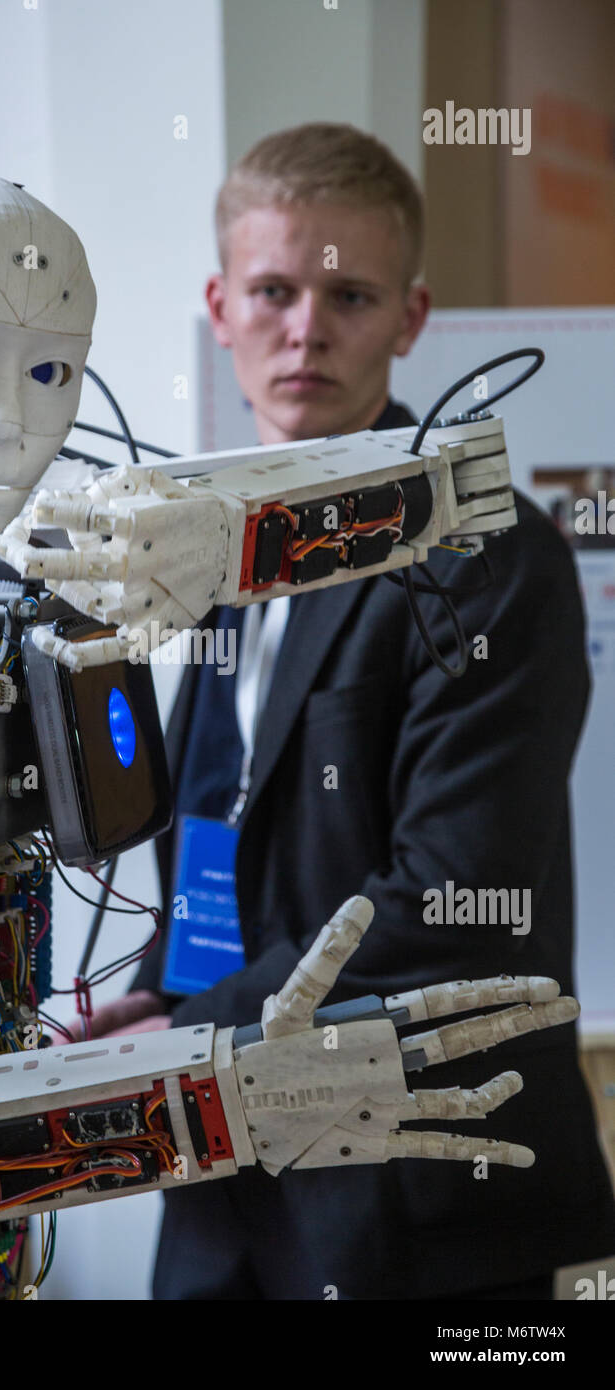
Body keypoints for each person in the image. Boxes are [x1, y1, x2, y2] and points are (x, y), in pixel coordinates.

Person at [75, 123, 615, 1299]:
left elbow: (454, 898)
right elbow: (242, 850)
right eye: (272, 291)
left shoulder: (482, 555)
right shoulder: (210, 551)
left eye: (349, 295)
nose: (305, 330)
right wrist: (167, 995)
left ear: (411, 317)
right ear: (220, 306)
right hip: (229, 1193)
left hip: (417, 1206)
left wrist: (189, 1028)